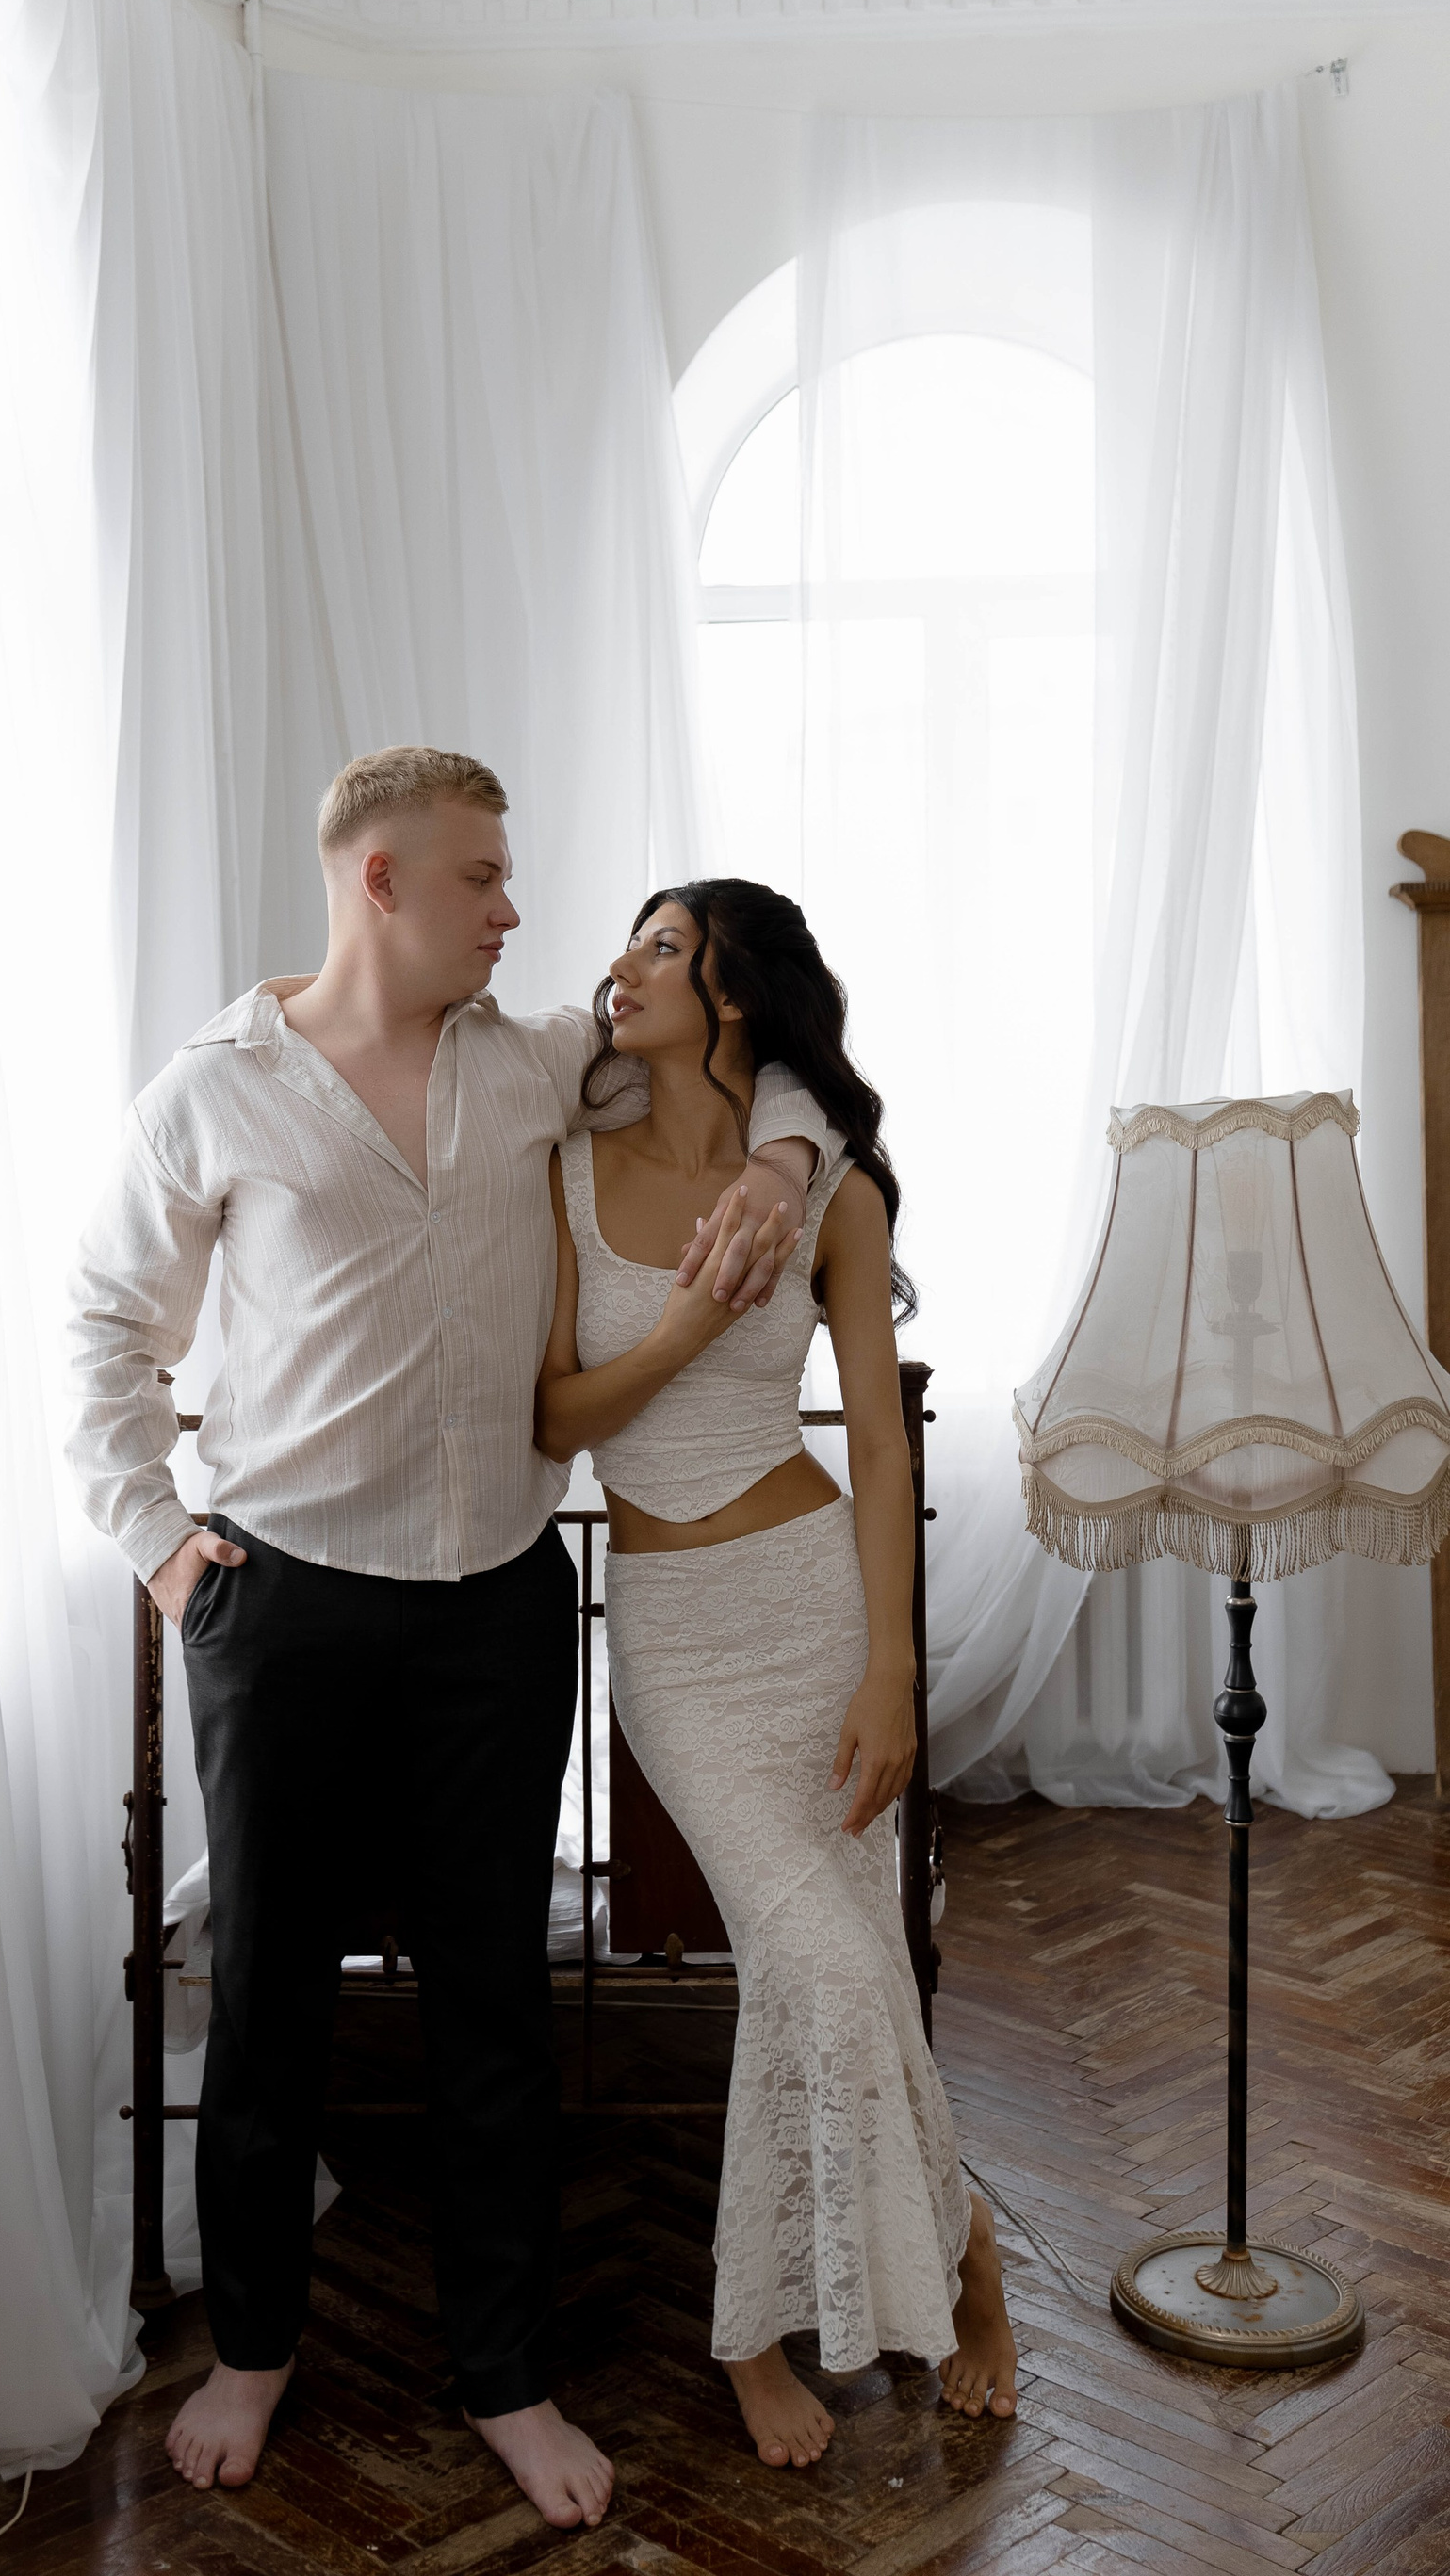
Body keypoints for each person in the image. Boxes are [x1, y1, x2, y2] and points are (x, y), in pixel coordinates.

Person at [63, 748, 835, 2532]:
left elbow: (765, 1048)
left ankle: (507, 2373)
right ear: (381, 882)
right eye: (482, 875)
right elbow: (102, 1327)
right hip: (279, 1606)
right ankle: (253, 2348)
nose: (513, 907)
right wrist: (163, 1551)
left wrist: (792, 1157)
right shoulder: (212, 1090)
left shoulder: (545, 1059)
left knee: (498, 2005)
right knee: (268, 2001)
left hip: (496, 1603)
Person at [534, 877, 1018, 2470]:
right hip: (677, 1644)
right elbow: (553, 1415)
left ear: (734, 993)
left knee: (848, 1962)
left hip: (813, 1611)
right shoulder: (568, 1169)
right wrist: (678, 1334)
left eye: (662, 947)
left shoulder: (831, 1192)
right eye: (630, 941)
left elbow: (879, 1444)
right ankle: (947, 2254)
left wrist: (892, 1671)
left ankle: (799, 2311)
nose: (622, 967)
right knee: (818, 1957)